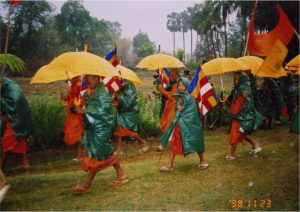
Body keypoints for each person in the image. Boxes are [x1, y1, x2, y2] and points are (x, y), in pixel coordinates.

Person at [72, 75, 128, 195]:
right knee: (105, 151)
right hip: (95, 128)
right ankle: (121, 173)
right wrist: (84, 99)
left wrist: (84, 111)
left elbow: (101, 110)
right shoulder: (94, 90)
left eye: (90, 81)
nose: (88, 83)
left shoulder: (103, 91)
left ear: (96, 79)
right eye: (86, 82)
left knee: (97, 154)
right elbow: (93, 105)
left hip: (101, 127)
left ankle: (87, 183)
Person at [159, 77, 209, 172]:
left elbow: (192, 111)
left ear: (186, 86)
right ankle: (170, 164)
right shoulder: (178, 96)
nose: (181, 87)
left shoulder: (190, 98)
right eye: (179, 85)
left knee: (194, 141)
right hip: (179, 123)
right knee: (175, 141)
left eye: (183, 85)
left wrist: (183, 110)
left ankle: (202, 160)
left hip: (190, 124)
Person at [222, 72, 264, 161]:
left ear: (242, 80)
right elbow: (233, 104)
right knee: (240, 134)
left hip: (241, 117)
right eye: (235, 79)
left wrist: (245, 98)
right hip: (235, 116)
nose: (236, 81)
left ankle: (231, 154)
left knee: (234, 133)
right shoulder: (235, 90)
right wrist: (226, 100)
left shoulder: (246, 90)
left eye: (238, 79)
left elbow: (248, 105)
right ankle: (254, 143)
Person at [0, 77, 35, 170]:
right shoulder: (7, 85)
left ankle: (0, 166)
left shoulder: (7, 86)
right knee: (20, 137)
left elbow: (8, 103)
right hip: (17, 112)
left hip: (16, 115)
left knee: (8, 139)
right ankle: (25, 162)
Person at [112, 79, 148, 155]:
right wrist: (115, 98)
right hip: (122, 112)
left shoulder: (128, 84)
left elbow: (129, 100)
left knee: (129, 130)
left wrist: (118, 96)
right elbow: (120, 98)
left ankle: (142, 142)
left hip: (129, 111)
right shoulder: (119, 84)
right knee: (119, 129)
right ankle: (119, 149)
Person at [60, 77, 85, 162]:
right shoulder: (72, 88)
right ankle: (79, 155)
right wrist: (64, 99)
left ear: (76, 79)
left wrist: (79, 108)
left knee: (77, 136)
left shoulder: (80, 88)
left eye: (73, 79)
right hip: (71, 115)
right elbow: (70, 100)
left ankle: (82, 154)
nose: (70, 80)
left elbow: (82, 102)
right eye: (70, 79)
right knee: (73, 134)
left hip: (77, 116)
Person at [156, 69, 179, 151]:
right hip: (170, 107)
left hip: (175, 107)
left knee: (170, 125)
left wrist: (162, 91)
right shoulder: (173, 83)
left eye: (173, 75)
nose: (171, 77)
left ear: (177, 75)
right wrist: (159, 72)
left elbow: (172, 96)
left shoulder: (178, 85)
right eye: (170, 75)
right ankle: (166, 144)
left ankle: (163, 145)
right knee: (169, 125)